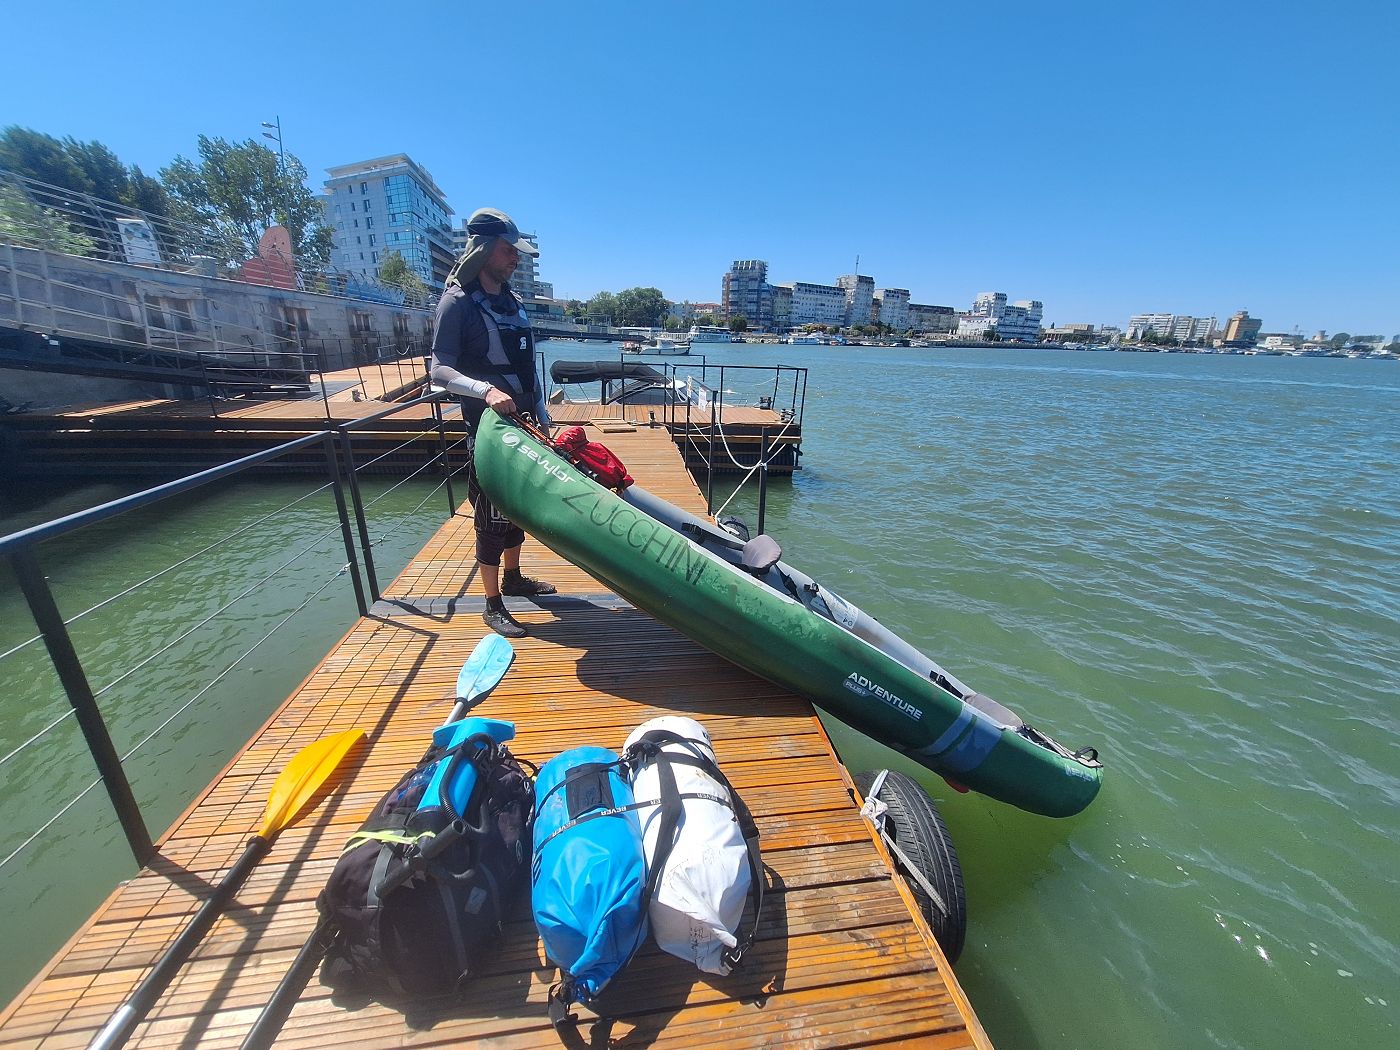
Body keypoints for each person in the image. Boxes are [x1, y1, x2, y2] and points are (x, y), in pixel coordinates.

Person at [430, 207, 555, 637]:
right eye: (509, 251)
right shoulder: (457, 304)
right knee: (490, 516)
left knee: (518, 509)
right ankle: (492, 602)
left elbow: (526, 367)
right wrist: (484, 390)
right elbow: (439, 370)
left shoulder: (513, 303)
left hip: (526, 427)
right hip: (486, 433)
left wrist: (540, 410)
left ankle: (514, 577)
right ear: (485, 251)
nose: (516, 259)